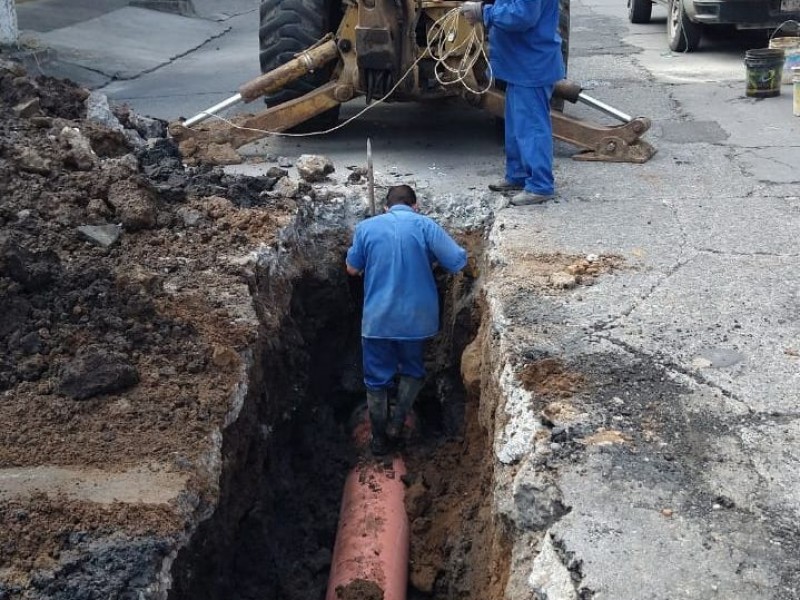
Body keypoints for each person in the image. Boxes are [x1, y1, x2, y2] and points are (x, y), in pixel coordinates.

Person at [346, 185, 468, 455]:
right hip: (417, 321)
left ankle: (378, 438)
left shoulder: (366, 228)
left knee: (376, 380)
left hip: (378, 321)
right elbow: (457, 261)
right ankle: (397, 424)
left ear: (386, 208)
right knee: (412, 370)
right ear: (416, 205)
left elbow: (352, 268)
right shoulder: (426, 226)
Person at [460, 0, 565, 206]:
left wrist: (484, 12)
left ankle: (540, 185)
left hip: (531, 65)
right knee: (517, 125)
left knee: (531, 127)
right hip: (519, 64)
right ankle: (517, 174)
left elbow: (523, 16)